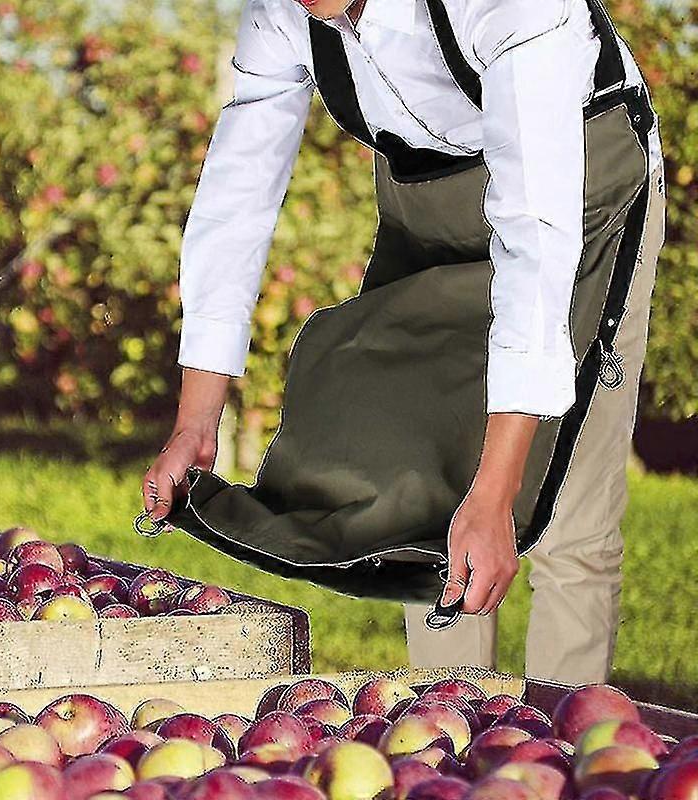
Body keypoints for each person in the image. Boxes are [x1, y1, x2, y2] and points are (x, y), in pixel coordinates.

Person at [142, 0, 666, 684]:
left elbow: (535, 236)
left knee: (567, 516)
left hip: (585, 199)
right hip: (434, 212)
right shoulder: (283, 10)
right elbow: (236, 200)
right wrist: (194, 422)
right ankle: (447, 741)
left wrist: (498, 490)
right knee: (422, 505)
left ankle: (556, 755)